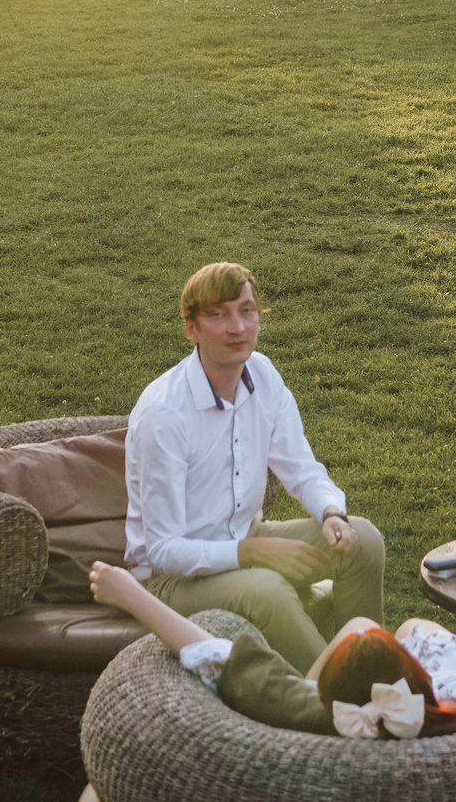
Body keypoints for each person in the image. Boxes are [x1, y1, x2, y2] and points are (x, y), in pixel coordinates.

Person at [124, 261, 386, 671]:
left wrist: (330, 511)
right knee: (265, 591)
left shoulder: (262, 375)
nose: (237, 327)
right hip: (172, 581)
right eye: (218, 315)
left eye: (246, 311)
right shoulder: (164, 415)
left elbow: (302, 468)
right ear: (191, 328)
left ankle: (370, 665)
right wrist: (250, 552)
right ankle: (336, 698)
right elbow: (161, 552)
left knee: (362, 540)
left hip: (247, 536)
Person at [87, 561, 456, 737]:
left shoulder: (316, 715)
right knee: (407, 625)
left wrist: (131, 595)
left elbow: (216, 657)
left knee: (365, 629)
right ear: (414, 676)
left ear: (329, 693)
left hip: (443, 684)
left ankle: (345, 650)